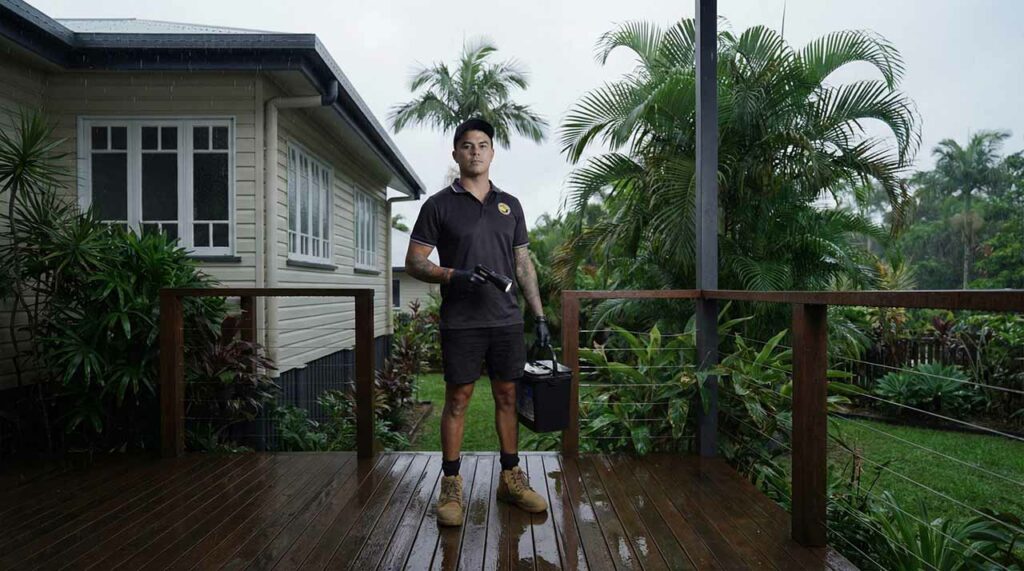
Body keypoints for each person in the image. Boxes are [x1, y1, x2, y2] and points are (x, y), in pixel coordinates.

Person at [405, 118, 550, 527]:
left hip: (505, 321)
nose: (475, 152)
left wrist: (538, 315)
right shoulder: (438, 205)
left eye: (483, 145)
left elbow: (523, 264)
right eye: (467, 145)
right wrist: (453, 275)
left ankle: (511, 479)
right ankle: (451, 485)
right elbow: (415, 261)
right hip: (462, 321)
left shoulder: (511, 205)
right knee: (458, 400)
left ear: (492, 153)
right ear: (456, 153)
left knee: (508, 396)